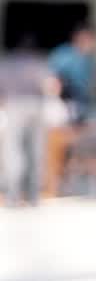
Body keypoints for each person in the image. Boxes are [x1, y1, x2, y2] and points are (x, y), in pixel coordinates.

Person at [0, 38, 54, 206]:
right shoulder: (38, 63)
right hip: (36, 106)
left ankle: (13, 196)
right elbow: (50, 86)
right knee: (36, 151)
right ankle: (33, 196)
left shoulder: (7, 63)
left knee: (13, 151)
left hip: (14, 106)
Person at [47, 23, 96, 121]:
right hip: (65, 105)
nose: (93, 44)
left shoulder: (87, 59)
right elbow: (53, 80)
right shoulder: (64, 54)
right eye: (90, 39)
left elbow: (88, 83)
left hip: (82, 103)